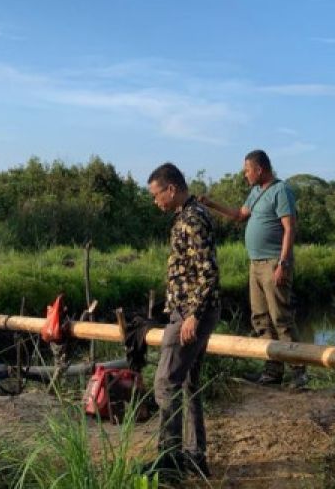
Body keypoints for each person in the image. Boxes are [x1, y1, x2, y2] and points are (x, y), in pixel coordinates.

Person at [200, 149, 307, 388]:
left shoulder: (281, 191)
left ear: (260, 169)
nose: (245, 175)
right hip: (255, 265)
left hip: (273, 264)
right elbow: (239, 215)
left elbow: (289, 228)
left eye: (247, 170)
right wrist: (211, 204)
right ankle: (272, 370)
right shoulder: (256, 192)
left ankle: (299, 371)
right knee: (260, 318)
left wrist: (283, 263)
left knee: (281, 317)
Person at [146, 162, 221, 479]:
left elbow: (208, 271)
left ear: (171, 189)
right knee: (188, 383)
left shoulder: (192, 219)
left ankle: (169, 461)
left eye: (156, 194)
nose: (155, 201)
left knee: (165, 383)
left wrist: (192, 315)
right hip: (192, 311)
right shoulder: (189, 216)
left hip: (191, 314)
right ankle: (194, 456)